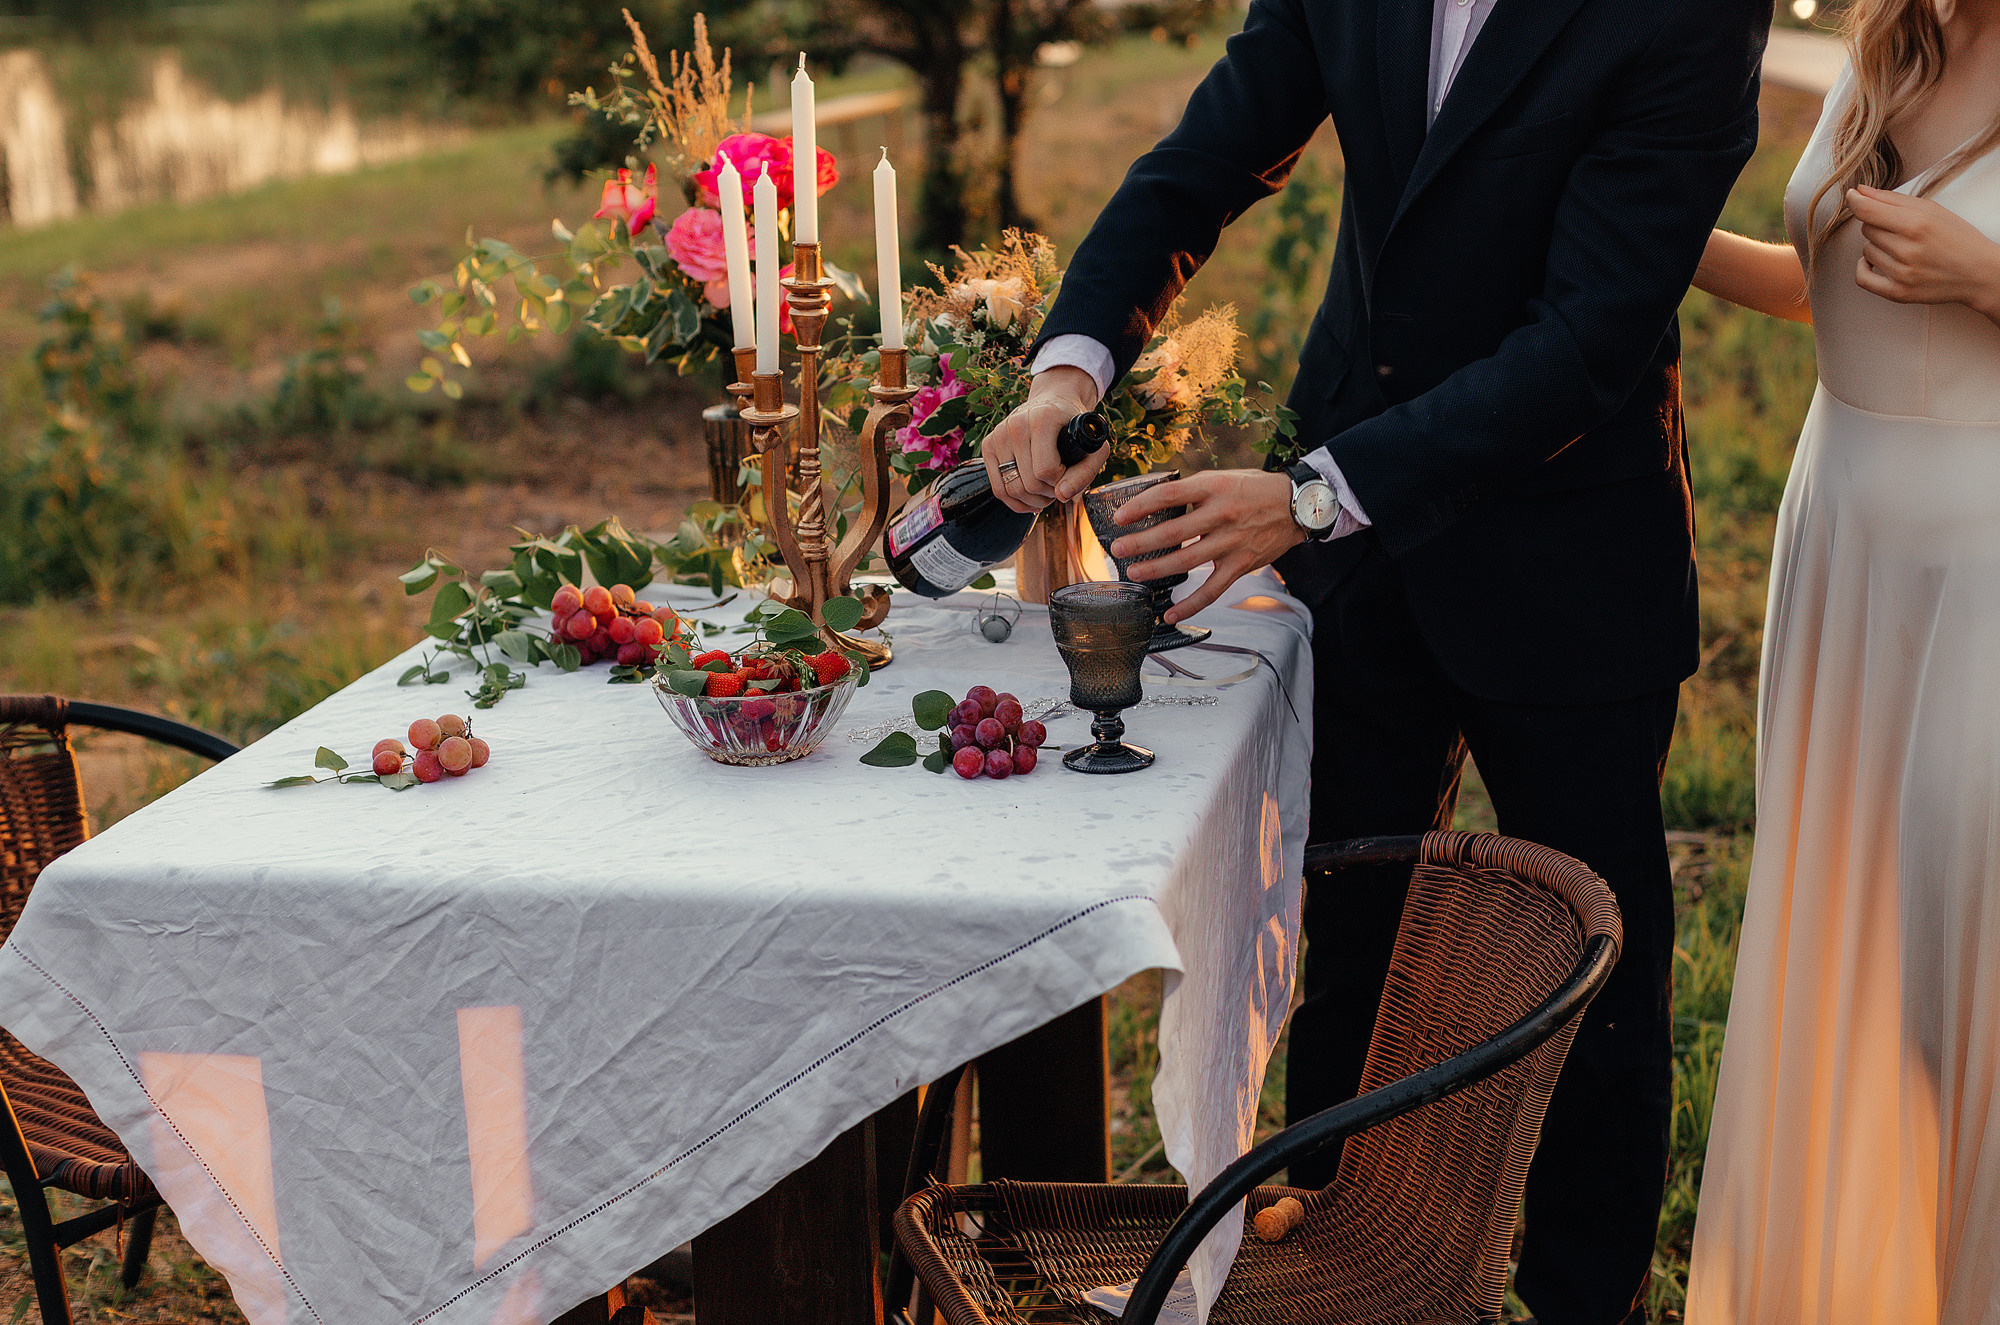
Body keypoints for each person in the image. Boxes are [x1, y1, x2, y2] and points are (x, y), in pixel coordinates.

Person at [979, 1, 1769, 1320]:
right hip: (1360, 556)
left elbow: (1592, 335)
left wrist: (1306, 496)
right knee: (1346, 937)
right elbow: (1201, 163)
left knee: (1598, 993)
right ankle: (1332, 1283)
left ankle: (1589, 1299)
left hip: (1566, 551)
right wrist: (1071, 369)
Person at [1681, 0, 2000, 1320]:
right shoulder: (1885, 48)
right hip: (1844, 539)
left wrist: (1985, 275)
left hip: (1982, 559)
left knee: (1962, 948)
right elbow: (1812, 285)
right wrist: (1644, 229)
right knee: (1858, 945)